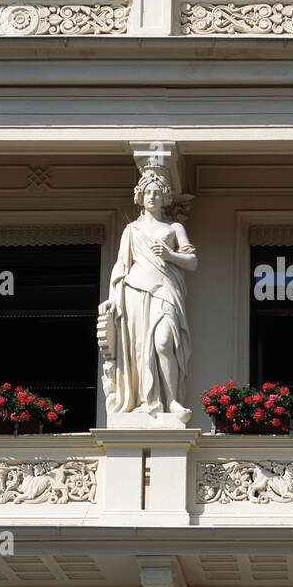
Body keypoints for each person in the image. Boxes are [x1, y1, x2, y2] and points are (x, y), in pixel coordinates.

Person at [98, 167, 197, 420]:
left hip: (165, 290)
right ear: (140, 197)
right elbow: (121, 265)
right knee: (141, 349)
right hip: (135, 292)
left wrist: (169, 255)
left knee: (164, 342)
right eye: (147, 192)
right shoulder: (131, 230)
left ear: (164, 197)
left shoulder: (174, 227)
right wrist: (111, 298)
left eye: (156, 192)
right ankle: (146, 399)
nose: (151, 196)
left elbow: (192, 261)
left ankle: (172, 400)